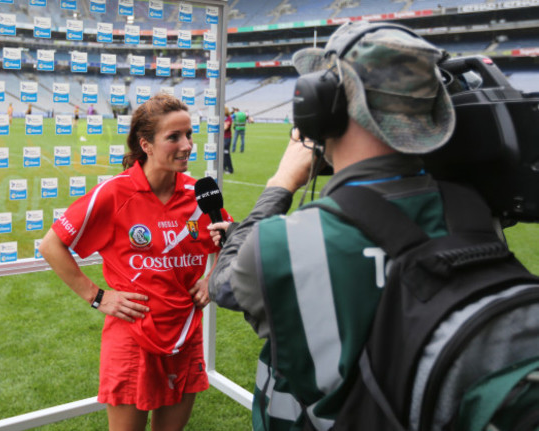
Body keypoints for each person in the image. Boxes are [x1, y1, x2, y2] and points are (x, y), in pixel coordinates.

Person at [208, 22, 458, 430]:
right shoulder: (477, 217)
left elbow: (224, 284)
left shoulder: (286, 242)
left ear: (323, 107)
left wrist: (280, 185)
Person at [39, 93, 231, 431]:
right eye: (174, 137)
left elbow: (227, 243)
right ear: (147, 145)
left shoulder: (199, 194)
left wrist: (211, 279)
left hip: (186, 332)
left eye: (189, 134)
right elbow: (52, 245)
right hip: (132, 335)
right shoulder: (115, 193)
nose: (187, 145)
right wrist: (98, 297)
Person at [223, 107, 234, 174]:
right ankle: (224, 168)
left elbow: (225, 128)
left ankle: (230, 169)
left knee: (226, 153)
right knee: (223, 154)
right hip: (223, 138)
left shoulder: (228, 118)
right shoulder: (224, 118)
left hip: (227, 138)